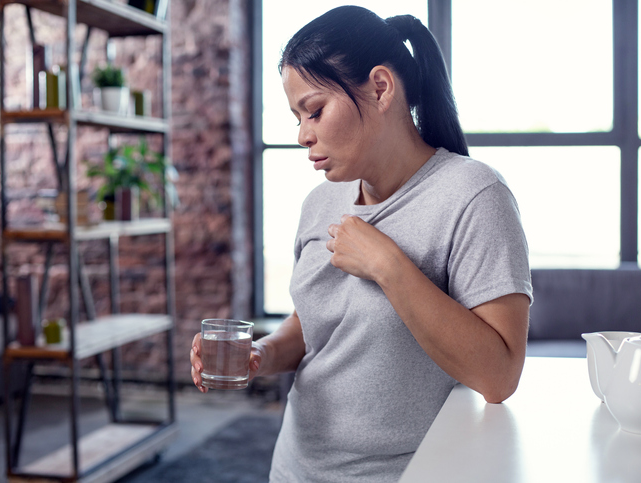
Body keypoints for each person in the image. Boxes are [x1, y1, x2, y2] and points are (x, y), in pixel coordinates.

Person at [191, 6, 532, 482]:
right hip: (295, 466)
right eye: (296, 117)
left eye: (314, 110)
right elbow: (315, 322)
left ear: (380, 87)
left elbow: (499, 377)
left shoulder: (475, 196)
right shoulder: (319, 203)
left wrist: (388, 266)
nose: (302, 135)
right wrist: (262, 355)